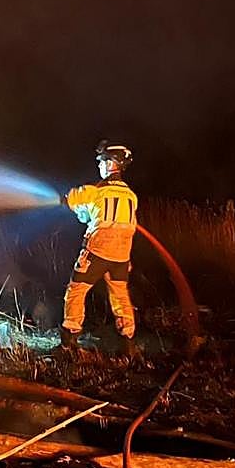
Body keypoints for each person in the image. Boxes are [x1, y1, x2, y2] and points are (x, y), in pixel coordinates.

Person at [59, 141, 139, 356]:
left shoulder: (94, 191)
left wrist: (67, 201)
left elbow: (80, 211)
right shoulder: (131, 196)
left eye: (102, 161)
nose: (100, 166)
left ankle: (70, 340)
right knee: (121, 296)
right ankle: (128, 344)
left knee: (76, 290)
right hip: (121, 257)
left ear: (112, 164)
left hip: (96, 253)